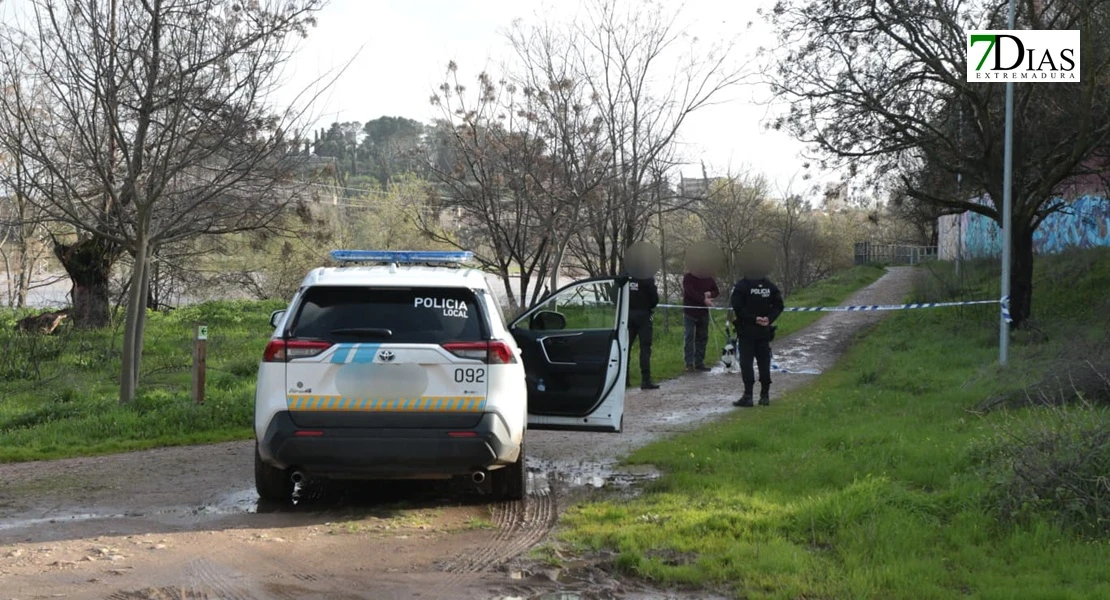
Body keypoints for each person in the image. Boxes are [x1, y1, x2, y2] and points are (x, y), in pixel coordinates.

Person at [729, 262, 784, 407]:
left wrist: (754, 319)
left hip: (747, 330)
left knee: (746, 363)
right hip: (764, 331)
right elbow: (779, 305)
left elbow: (737, 307)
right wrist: (769, 318)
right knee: (764, 362)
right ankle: (764, 396)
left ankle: (748, 396)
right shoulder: (769, 285)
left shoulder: (741, 286)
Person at [627, 272, 660, 390]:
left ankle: (624, 379)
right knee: (645, 348)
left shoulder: (625, 276)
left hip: (627, 316)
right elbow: (655, 300)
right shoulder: (647, 277)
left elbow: (614, 295)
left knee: (625, 348)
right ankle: (645, 380)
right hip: (644, 316)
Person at [682, 269, 719, 372]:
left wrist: (710, 293)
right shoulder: (688, 277)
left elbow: (716, 291)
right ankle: (689, 363)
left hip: (703, 313)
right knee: (689, 336)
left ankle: (699, 362)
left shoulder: (708, 278)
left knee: (702, 337)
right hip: (690, 312)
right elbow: (690, 292)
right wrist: (704, 300)